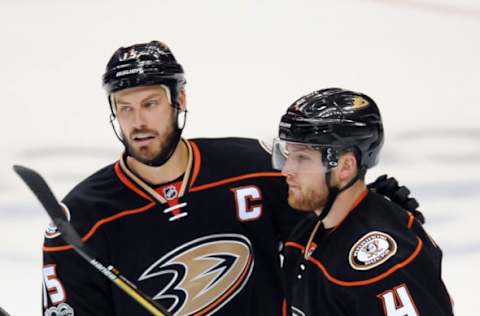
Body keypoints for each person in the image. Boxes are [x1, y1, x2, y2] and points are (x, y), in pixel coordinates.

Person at [42, 40, 305, 316]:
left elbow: (326, 261)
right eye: (125, 108)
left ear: (179, 100)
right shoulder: (84, 219)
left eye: (150, 104)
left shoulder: (259, 170)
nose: (138, 122)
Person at [272, 88, 454, 315]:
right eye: (288, 155)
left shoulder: (380, 265)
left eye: (302, 158)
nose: (287, 170)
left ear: (346, 166)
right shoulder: (311, 227)